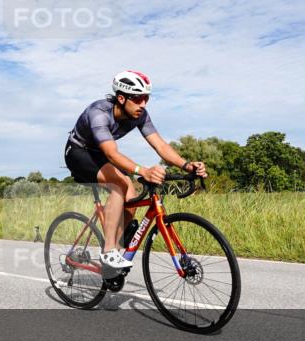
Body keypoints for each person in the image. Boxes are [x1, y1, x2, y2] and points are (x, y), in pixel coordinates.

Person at [64, 70, 207, 275]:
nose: (143, 104)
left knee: (130, 195)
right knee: (119, 185)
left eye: (146, 98)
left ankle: (113, 246)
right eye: (138, 98)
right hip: (79, 152)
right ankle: (108, 252)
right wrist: (143, 171)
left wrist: (186, 165)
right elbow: (112, 154)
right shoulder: (98, 114)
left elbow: (160, 145)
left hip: (102, 153)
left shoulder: (140, 115)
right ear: (121, 98)